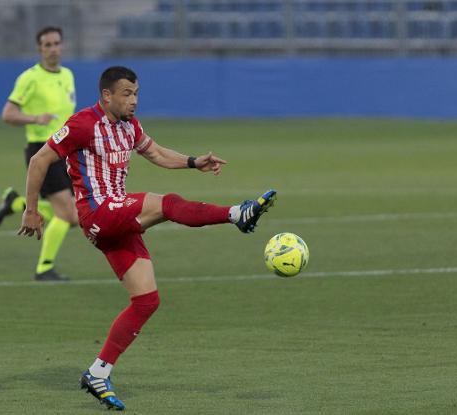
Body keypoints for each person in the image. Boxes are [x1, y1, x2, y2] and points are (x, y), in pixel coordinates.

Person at [18, 66, 276, 410]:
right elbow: (39, 160)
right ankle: (236, 215)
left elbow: (154, 153)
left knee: (146, 301)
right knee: (167, 203)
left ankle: (98, 372)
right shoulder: (83, 123)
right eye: (127, 93)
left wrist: (192, 161)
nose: (134, 100)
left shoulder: (129, 126)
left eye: (136, 93)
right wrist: (31, 209)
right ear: (107, 95)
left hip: (117, 222)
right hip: (99, 212)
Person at [0, 26, 78, 281]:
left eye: (56, 43)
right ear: (40, 49)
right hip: (43, 151)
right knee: (68, 215)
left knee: (70, 213)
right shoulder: (29, 78)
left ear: (62, 46)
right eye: (47, 45)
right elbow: (8, 113)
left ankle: (16, 204)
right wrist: (34, 118)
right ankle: (44, 268)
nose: (53, 49)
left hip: (66, 151)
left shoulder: (68, 75)